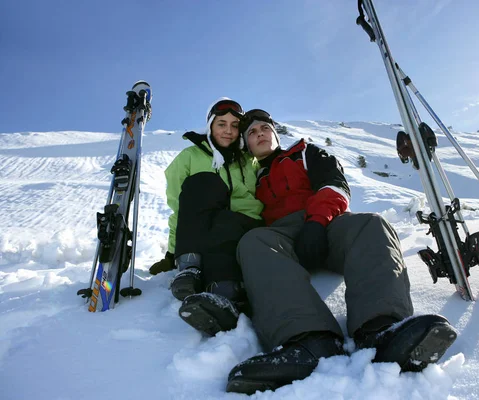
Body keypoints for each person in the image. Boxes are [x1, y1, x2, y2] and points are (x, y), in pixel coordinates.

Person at [225, 109, 458, 394]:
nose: (259, 133)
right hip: (281, 237)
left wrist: (316, 222)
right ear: (246, 144)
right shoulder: (248, 178)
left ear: (275, 133)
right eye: (251, 132)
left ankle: (381, 330)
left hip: (326, 223)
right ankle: (309, 341)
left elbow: (334, 184)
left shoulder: (304, 153)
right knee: (253, 242)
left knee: (371, 225)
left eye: (264, 128)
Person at [153, 98, 263, 336]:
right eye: (222, 124)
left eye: (235, 125)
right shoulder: (189, 157)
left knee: (227, 222)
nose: (229, 131)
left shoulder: (249, 160)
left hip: (242, 228)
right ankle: (192, 270)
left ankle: (225, 294)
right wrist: (174, 252)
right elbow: (180, 210)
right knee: (202, 183)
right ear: (210, 125)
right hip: (204, 231)